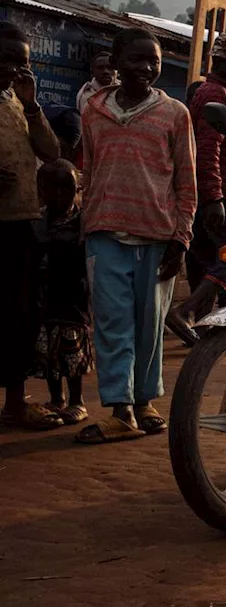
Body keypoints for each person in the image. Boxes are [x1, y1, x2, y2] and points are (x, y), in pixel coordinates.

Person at [77, 27, 197, 443]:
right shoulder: (93, 109)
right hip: (104, 233)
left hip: (157, 236)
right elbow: (89, 169)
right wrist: (84, 225)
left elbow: (186, 181)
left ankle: (144, 402)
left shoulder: (175, 114)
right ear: (116, 60)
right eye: (136, 59)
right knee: (112, 324)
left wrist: (181, 238)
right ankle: (120, 409)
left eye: (154, 61)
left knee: (150, 326)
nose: (146, 68)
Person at [166, 32, 226, 344]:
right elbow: (207, 151)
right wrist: (215, 197)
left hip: (216, 192)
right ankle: (187, 311)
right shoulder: (216, 95)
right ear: (224, 63)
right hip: (222, 194)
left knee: (205, 261)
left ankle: (201, 326)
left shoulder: (224, 93)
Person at [0, 21, 64, 429]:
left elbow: (52, 151)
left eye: (22, 63)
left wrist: (32, 105)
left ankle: (15, 403)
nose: (14, 69)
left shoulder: (17, 101)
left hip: (21, 223)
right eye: (7, 59)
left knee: (20, 316)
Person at [31, 160, 92, 426]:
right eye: (51, 188)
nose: (59, 195)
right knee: (49, 352)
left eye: (66, 188)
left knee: (72, 351)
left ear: (76, 189)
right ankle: (57, 398)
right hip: (46, 298)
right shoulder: (37, 222)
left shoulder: (83, 223)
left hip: (73, 298)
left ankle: (77, 400)